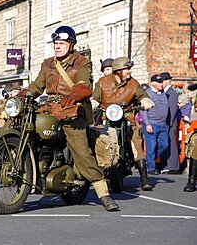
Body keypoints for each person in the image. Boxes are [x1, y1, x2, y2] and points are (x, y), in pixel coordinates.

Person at [18, 25, 119, 211]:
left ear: (71, 45)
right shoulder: (48, 63)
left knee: (81, 150)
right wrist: (22, 95)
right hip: (49, 107)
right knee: (26, 126)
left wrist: (77, 92)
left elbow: (84, 83)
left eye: (61, 43)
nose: (57, 46)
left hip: (72, 108)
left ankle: (103, 193)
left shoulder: (82, 62)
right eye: (55, 43)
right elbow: (37, 85)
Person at [92, 57, 154, 191]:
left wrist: (146, 101)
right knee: (94, 137)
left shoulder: (133, 83)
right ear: (118, 71)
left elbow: (141, 94)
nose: (129, 72)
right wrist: (93, 102)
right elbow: (95, 97)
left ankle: (144, 179)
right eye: (126, 70)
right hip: (105, 117)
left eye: (129, 69)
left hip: (127, 117)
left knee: (135, 140)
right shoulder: (103, 82)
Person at [140, 74, 169, 175]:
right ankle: (150, 167)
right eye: (159, 82)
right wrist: (147, 124)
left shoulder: (163, 94)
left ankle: (149, 160)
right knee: (151, 146)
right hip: (152, 124)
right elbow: (143, 111)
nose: (161, 84)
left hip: (163, 124)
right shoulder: (148, 94)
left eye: (161, 82)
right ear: (152, 83)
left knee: (164, 145)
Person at [160, 72, 181, 174]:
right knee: (166, 144)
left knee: (172, 144)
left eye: (162, 81)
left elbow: (172, 109)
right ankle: (167, 165)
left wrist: (168, 124)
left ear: (167, 81)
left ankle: (173, 166)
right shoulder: (164, 92)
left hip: (170, 123)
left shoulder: (172, 93)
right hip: (165, 122)